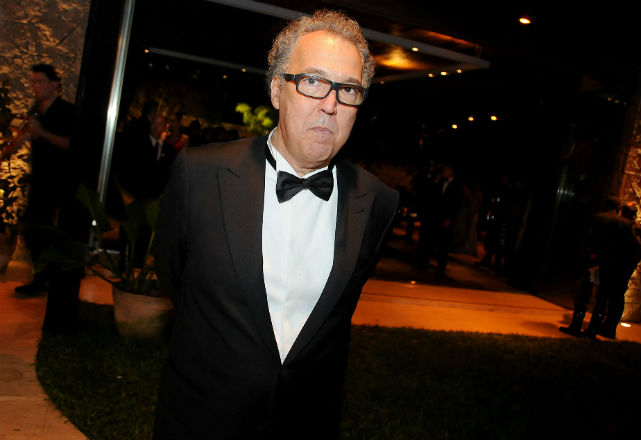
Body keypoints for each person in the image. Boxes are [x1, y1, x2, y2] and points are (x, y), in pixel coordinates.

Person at [153, 10, 399, 439]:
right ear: (276, 90)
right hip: (202, 418)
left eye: (348, 89)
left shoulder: (377, 201)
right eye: (313, 81)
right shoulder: (201, 175)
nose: (330, 104)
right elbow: (173, 276)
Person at [14, 64, 76, 296]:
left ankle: (50, 280)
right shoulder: (36, 110)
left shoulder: (66, 111)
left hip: (59, 181)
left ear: (54, 84)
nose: (35, 87)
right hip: (40, 179)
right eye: (33, 82)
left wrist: (42, 133)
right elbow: (23, 136)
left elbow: (71, 144)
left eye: (39, 81)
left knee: (48, 232)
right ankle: (42, 279)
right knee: (33, 231)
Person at [560, 198, 641, 339]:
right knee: (602, 298)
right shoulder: (626, 224)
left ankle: (576, 325)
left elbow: (587, 237)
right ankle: (594, 329)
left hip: (595, 261)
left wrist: (587, 253)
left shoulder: (599, 218)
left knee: (583, 293)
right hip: (611, 265)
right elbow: (633, 247)